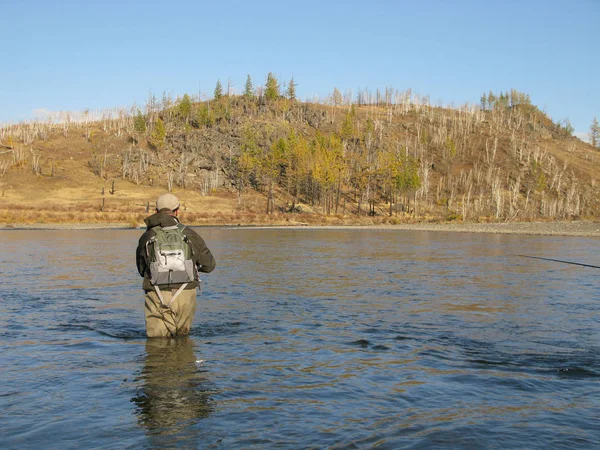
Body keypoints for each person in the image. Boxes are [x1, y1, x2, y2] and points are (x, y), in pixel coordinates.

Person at [136, 193, 216, 337]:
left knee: (157, 344)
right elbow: (209, 265)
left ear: (156, 211)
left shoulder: (147, 236)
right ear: (177, 211)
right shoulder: (190, 234)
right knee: (183, 343)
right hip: (185, 293)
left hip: (156, 293)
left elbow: (141, 269)